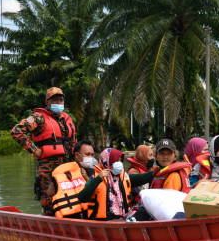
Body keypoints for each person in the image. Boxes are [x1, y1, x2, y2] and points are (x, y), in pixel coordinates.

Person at [10, 87, 76, 215]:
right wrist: (34, 150)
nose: (58, 102)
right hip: (48, 167)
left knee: (70, 196)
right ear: (47, 102)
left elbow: (73, 141)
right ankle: (48, 222)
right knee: (49, 199)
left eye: (60, 100)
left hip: (67, 166)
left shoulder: (67, 119)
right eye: (54, 100)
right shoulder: (39, 117)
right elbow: (16, 131)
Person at [79, 148, 153, 220]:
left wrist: (156, 172)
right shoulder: (96, 177)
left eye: (120, 160)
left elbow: (142, 178)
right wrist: (98, 179)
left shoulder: (124, 176)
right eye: (116, 160)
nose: (119, 163)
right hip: (102, 220)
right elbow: (82, 197)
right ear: (107, 161)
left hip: (122, 218)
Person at [50, 140, 98, 219]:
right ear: (77, 155)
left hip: (91, 216)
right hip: (69, 218)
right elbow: (49, 197)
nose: (91, 158)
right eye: (87, 154)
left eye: (92, 155)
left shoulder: (96, 173)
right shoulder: (63, 173)